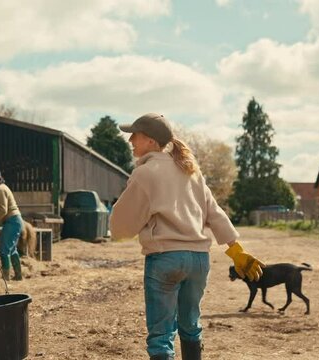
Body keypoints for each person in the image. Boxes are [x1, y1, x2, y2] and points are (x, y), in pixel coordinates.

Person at [109, 113, 264, 360]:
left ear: (150, 140)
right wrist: (235, 249)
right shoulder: (191, 170)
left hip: (165, 259)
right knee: (191, 325)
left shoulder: (146, 173)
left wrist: (116, 229)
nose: (130, 141)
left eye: (134, 135)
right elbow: (214, 211)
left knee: (161, 337)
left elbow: (122, 224)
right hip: (199, 261)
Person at [0, 167, 24, 281]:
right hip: (14, 220)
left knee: (4, 250)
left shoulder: (0, 189)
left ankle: (6, 278)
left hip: (12, 220)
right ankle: (18, 276)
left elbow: (3, 210)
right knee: (12, 250)